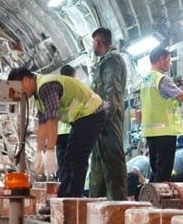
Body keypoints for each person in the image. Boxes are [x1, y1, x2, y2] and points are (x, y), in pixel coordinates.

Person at [8, 66, 108, 198]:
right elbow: (43, 123)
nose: (20, 94)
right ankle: (63, 198)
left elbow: (52, 120)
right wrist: (39, 151)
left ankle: (72, 199)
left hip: (92, 113)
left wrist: (49, 150)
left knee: (76, 157)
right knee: (69, 159)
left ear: (26, 80)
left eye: (19, 90)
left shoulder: (46, 86)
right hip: (82, 117)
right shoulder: (38, 94)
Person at [140, 46, 183, 183]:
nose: (170, 63)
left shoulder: (146, 80)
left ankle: (150, 199)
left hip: (150, 133)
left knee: (156, 171)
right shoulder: (162, 79)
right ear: (161, 60)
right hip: (164, 133)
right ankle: (159, 202)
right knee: (164, 174)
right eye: (168, 60)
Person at [89, 27, 128, 200]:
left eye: (93, 42)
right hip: (102, 122)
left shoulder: (112, 60)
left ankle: (117, 211)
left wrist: (101, 122)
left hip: (108, 122)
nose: (92, 46)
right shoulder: (104, 62)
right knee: (98, 170)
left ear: (98, 41)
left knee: (113, 169)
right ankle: (96, 210)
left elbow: (111, 94)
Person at [55, 65, 76, 182]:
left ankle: (62, 189)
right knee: (73, 166)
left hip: (59, 134)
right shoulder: (74, 90)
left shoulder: (56, 88)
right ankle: (70, 194)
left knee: (62, 165)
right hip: (71, 132)